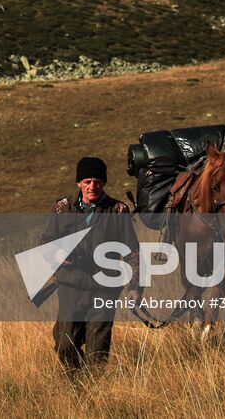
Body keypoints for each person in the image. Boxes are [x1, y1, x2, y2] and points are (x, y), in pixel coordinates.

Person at [41, 155, 139, 372]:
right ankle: (75, 379)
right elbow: (46, 242)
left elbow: (133, 253)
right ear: (79, 183)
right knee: (65, 343)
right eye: (87, 181)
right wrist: (58, 256)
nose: (92, 186)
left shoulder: (118, 210)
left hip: (105, 288)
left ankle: (94, 392)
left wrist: (134, 288)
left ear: (103, 183)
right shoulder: (62, 208)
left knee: (98, 350)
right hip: (71, 285)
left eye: (97, 181)